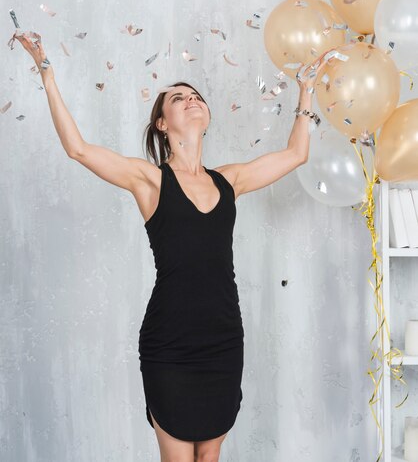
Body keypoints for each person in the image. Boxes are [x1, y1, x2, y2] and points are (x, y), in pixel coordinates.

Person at [14, 31, 330, 462]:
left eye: (195, 95)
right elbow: (78, 149)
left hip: (222, 339)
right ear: (162, 123)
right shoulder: (150, 181)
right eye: (177, 98)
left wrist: (306, 90)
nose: (191, 99)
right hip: (170, 344)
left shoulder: (230, 180)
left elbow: (296, 154)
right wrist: (46, 69)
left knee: (209, 460)